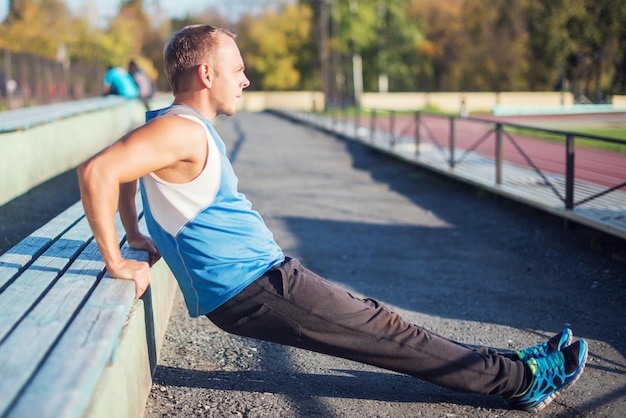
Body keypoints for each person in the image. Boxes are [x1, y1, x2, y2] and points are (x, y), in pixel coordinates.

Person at [77, 25, 588, 413]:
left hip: (260, 278)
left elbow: (121, 172)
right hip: (253, 286)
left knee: (382, 323)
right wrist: (118, 257)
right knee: (389, 332)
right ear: (206, 74)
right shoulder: (182, 131)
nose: (246, 80)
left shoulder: (174, 126)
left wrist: (134, 231)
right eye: (237, 70)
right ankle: (521, 381)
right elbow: (99, 171)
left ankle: (510, 365)